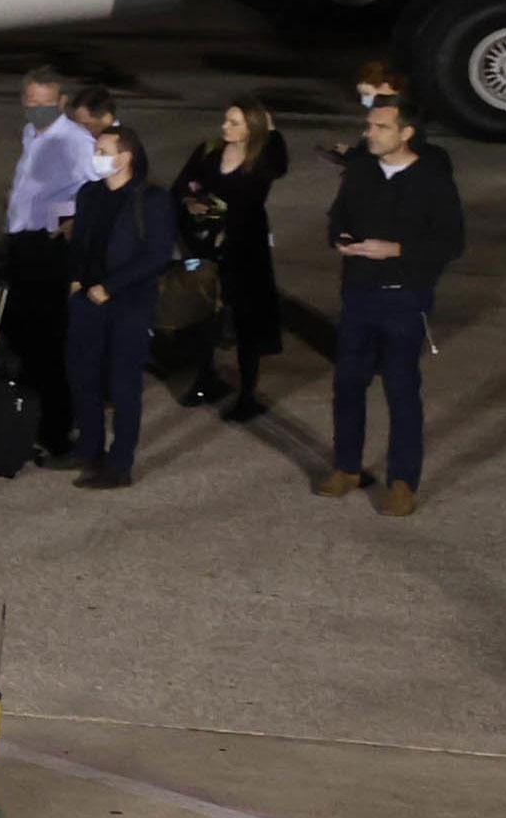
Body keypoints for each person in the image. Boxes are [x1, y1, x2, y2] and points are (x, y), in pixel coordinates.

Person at [319, 91, 460, 513]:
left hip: (404, 298)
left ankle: (403, 481)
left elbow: (452, 241)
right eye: (369, 126)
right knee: (347, 384)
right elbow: (337, 215)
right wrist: (341, 240)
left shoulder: (431, 178)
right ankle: (346, 467)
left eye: (381, 127)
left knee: (400, 388)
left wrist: (396, 250)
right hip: (359, 293)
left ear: (407, 133)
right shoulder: (361, 169)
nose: (370, 134)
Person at [59, 123, 171, 488]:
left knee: (123, 384)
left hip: (130, 303)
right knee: (83, 375)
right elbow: (81, 245)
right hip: (86, 300)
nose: (97, 158)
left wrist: (110, 286)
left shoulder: (151, 199)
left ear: (126, 157)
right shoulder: (89, 194)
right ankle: (88, 450)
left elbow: (157, 254)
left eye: (103, 152)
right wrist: (77, 279)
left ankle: (120, 463)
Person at [0, 70, 98, 462]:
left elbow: (94, 191)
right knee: (24, 339)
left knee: (50, 344)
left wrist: (66, 218)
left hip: (48, 249)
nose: (37, 111)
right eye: (31, 103)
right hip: (23, 245)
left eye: (45, 104)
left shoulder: (75, 141)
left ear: (61, 102)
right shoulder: (31, 133)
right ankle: (29, 420)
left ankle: (59, 431)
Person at [172, 100, 289, 418]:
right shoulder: (209, 150)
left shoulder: (261, 160)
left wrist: (272, 130)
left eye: (235, 122)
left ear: (252, 128)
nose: (226, 127)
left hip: (244, 248)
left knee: (245, 319)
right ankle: (205, 377)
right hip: (207, 245)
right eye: (226, 120)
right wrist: (190, 201)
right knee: (204, 312)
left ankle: (247, 394)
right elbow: (182, 184)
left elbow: (279, 164)